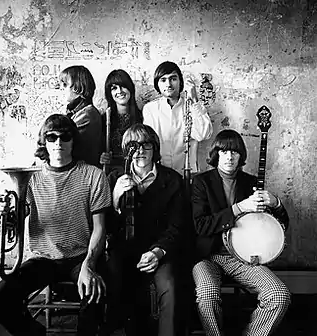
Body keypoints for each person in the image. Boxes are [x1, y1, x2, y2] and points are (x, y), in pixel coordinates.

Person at [0, 114, 111, 336]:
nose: (58, 143)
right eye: (51, 137)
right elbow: (17, 222)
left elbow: (100, 228)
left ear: (73, 141)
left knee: (94, 297)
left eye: (65, 137)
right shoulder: (30, 177)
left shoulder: (93, 176)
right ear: (44, 142)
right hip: (43, 259)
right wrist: (4, 216)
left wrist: (89, 264)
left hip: (80, 257)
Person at [191, 129, 291, 336]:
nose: (229, 156)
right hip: (207, 256)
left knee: (279, 295)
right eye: (224, 151)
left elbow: (279, 226)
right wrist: (240, 208)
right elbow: (200, 225)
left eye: (234, 152)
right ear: (216, 154)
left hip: (243, 258)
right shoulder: (201, 183)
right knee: (207, 294)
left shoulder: (252, 183)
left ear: (241, 156)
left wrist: (276, 203)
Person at [106, 123, 186, 336]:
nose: (140, 151)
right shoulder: (114, 179)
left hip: (159, 251)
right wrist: (115, 199)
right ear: (126, 151)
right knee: (117, 280)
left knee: (169, 286)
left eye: (146, 145)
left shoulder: (173, 180)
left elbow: (178, 226)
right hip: (125, 250)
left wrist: (157, 252)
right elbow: (106, 227)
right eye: (133, 146)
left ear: (155, 149)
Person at [143, 61, 212, 175]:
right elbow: (150, 143)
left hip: (187, 173)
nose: (169, 84)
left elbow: (202, 134)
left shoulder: (192, 106)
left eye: (173, 79)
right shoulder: (150, 109)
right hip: (159, 174)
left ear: (180, 82)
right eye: (163, 80)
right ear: (157, 84)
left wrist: (194, 99)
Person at [100, 69, 143, 173]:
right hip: (112, 174)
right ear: (109, 93)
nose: (119, 91)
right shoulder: (103, 120)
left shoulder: (143, 117)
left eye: (123, 86)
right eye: (114, 88)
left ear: (130, 89)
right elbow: (97, 151)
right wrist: (102, 157)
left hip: (137, 172)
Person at [59, 65, 102, 167]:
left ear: (78, 87)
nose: (61, 88)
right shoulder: (76, 112)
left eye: (65, 84)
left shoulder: (87, 115)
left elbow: (65, 145)